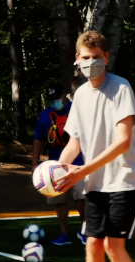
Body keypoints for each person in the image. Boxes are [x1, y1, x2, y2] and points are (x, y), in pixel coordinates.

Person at [57, 30, 135, 262]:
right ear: (77, 58)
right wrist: (57, 171)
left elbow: (122, 142)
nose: (91, 62)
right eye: (86, 57)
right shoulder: (80, 95)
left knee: (112, 246)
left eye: (97, 57)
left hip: (124, 181)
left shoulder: (121, 87)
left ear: (106, 58)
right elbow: (75, 143)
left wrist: (82, 171)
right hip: (95, 184)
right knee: (92, 244)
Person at [32, 83, 87, 246]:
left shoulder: (77, 111)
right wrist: (35, 163)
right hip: (55, 165)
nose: (54, 102)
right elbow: (38, 139)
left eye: (57, 98)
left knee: (82, 198)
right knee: (59, 200)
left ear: (64, 95)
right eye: (51, 100)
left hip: (79, 162)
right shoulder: (45, 115)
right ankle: (64, 234)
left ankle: (84, 230)